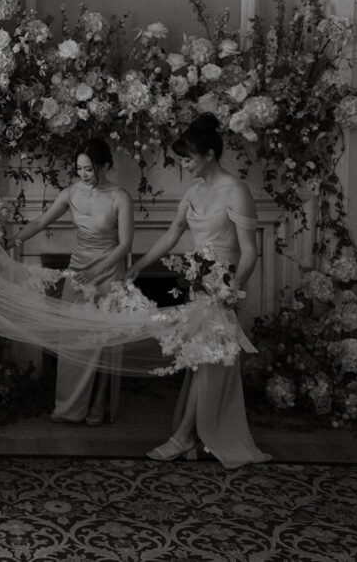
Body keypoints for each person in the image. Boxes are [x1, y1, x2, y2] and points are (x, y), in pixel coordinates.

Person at [125, 112, 270, 468]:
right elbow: (172, 235)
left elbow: (249, 251)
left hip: (223, 286)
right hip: (196, 284)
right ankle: (188, 436)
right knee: (201, 361)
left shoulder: (235, 191)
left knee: (205, 361)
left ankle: (183, 437)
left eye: (188, 159)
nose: (185, 165)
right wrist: (140, 264)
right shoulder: (193, 192)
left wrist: (233, 290)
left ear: (209, 154)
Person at [8, 138, 133, 425]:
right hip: (78, 270)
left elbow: (125, 245)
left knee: (104, 340)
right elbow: (40, 222)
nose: (83, 174)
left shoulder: (120, 197)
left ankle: (99, 402)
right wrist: (13, 240)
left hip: (107, 270)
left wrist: (97, 270)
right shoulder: (71, 193)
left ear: (105, 166)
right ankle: (69, 407)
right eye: (79, 169)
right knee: (73, 339)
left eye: (89, 169)